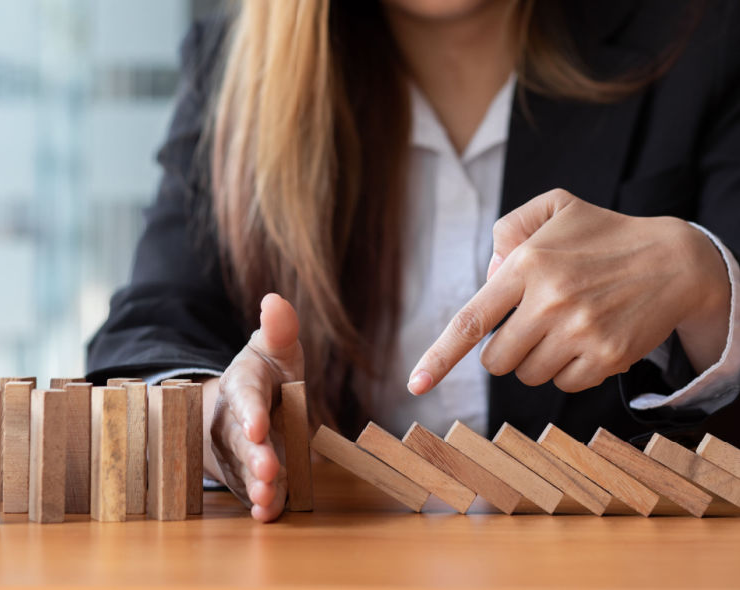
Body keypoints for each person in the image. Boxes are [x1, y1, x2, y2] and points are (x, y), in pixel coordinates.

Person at [87, 0, 740, 522]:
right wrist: (216, 413)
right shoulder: (232, 68)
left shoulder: (699, 33)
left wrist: (708, 284)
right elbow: (150, 328)